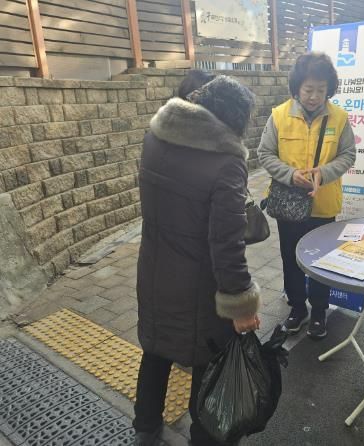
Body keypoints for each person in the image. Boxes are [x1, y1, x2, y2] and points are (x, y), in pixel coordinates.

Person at [133, 73, 261, 446]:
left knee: (155, 350)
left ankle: (145, 427)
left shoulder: (155, 138)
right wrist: (241, 304)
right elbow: (227, 245)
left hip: (153, 272)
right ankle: (203, 437)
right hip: (198, 289)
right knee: (206, 366)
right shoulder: (226, 163)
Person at [258, 52, 356, 339]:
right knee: (291, 258)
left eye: (321, 90)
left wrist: (322, 173)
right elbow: (265, 153)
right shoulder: (279, 116)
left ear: (329, 89)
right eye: (308, 89)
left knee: (322, 261)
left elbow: (348, 154)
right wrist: (290, 175)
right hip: (289, 205)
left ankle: (319, 312)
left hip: (323, 204)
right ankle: (297, 308)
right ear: (297, 87)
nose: (314, 97)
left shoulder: (339, 118)